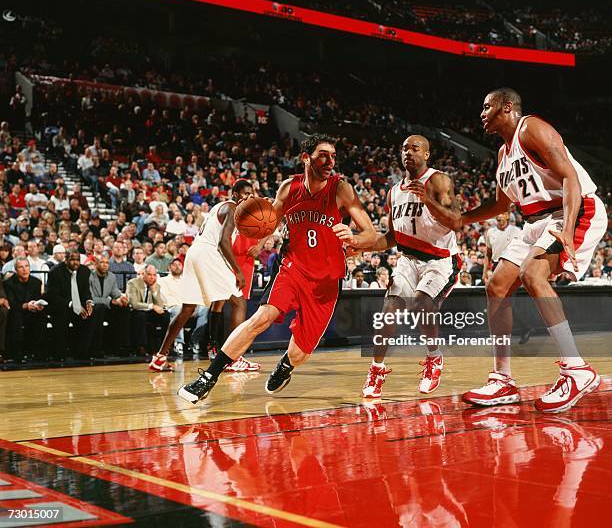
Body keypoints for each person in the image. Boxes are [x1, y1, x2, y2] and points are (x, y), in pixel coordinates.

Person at [178, 133, 377, 403]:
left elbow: (371, 234)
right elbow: (270, 221)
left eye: (333, 156)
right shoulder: (288, 188)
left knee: (301, 352)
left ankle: (286, 365)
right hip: (292, 267)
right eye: (323, 155)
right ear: (306, 158)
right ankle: (208, 377)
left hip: (326, 280)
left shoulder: (341, 189)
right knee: (261, 318)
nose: (330, 161)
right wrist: (259, 234)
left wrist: (355, 239)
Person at [460, 88, 606, 413]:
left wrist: (567, 229)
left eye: (487, 107)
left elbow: (570, 178)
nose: (482, 114)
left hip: (574, 208)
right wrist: (461, 219)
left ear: (507, 107)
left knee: (533, 274)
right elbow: (500, 204)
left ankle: (576, 369)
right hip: (534, 220)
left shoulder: (532, 129)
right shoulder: (502, 155)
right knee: (496, 286)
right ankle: (503, 381)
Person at [357, 135, 461, 398]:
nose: (408, 153)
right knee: (388, 310)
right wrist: (359, 246)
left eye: (415, 148)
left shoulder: (439, 180)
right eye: (404, 148)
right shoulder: (394, 192)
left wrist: (427, 200)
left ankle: (434, 358)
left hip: (440, 259)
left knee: (421, 302)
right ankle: (376, 369)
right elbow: (392, 237)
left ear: (427, 154)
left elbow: (456, 221)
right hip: (408, 260)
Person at [149, 180, 258, 373]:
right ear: (234, 194)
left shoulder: (220, 206)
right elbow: (224, 242)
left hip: (194, 253)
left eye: (251, 194)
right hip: (209, 253)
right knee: (239, 302)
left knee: (188, 308)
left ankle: (159, 357)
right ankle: (234, 358)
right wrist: (238, 271)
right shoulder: (232, 208)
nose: (248, 197)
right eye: (244, 193)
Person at [46, 251, 95, 361]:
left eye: (77, 260)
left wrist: (88, 301)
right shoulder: (55, 272)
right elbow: (52, 295)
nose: (75, 263)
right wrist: (73, 304)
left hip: (79, 306)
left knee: (90, 316)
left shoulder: (85, 271)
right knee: (61, 318)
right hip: (61, 306)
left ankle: (82, 352)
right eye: (72, 260)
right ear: (66, 260)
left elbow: (86, 290)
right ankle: (60, 354)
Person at [157, 257, 208, 357]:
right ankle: (178, 342)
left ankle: (195, 340)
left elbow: (194, 295)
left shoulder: (187, 280)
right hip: (173, 307)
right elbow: (165, 297)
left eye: (179, 265)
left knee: (204, 309)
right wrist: (185, 309)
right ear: (169, 267)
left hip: (188, 306)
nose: (177, 267)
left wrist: (193, 306)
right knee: (177, 311)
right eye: (174, 265)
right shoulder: (163, 280)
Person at [4, 258, 45, 361]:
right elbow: (12, 304)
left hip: (32, 311)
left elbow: (37, 298)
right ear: (16, 270)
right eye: (21, 267)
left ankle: (37, 353)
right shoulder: (8, 283)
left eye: (27, 266)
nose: (24, 269)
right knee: (16, 317)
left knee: (41, 316)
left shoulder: (36, 282)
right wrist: (26, 306)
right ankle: (16, 354)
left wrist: (38, 306)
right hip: (16, 311)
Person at [89, 255, 130, 356]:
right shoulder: (89, 276)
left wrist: (121, 297)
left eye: (107, 263)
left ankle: (121, 347)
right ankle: (96, 349)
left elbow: (114, 292)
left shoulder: (111, 276)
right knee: (100, 308)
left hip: (105, 307)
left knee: (124, 308)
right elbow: (91, 298)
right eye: (102, 262)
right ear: (95, 264)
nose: (105, 265)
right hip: (92, 308)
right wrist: (110, 302)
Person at [126, 264, 170, 356]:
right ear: (143, 274)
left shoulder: (156, 286)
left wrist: (154, 292)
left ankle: (163, 346)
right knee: (140, 315)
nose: (152, 278)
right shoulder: (133, 283)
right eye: (150, 275)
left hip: (149, 312)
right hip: (136, 312)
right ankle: (141, 347)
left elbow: (160, 306)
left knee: (165, 315)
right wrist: (152, 306)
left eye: (154, 275)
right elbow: (134, 304)